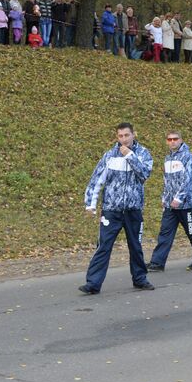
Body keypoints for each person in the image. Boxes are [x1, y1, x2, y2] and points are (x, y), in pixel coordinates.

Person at [81, 122, 155, 294]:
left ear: (133, 134)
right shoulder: (110, 155)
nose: (124, 139)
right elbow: (97, 179)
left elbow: (144, 174)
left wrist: (130, 155)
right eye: (120, 136)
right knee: (103, 246)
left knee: (135, 246)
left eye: (126, 135)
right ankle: (93, 283)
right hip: (111, 210)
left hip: (133, 209)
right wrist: (90, 203)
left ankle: (140, 279)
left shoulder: (143, 153)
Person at [147, 131, 192, 272]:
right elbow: (167, 181)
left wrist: (179, 198)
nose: (172, 141)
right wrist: (165, 198)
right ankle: (157, 262)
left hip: (186, 205)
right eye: (169, 139)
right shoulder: (168, 159)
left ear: (181, 140)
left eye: (175, 139)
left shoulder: (188, 157)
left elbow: (189, 179)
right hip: (170, 206)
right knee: (164, 234)